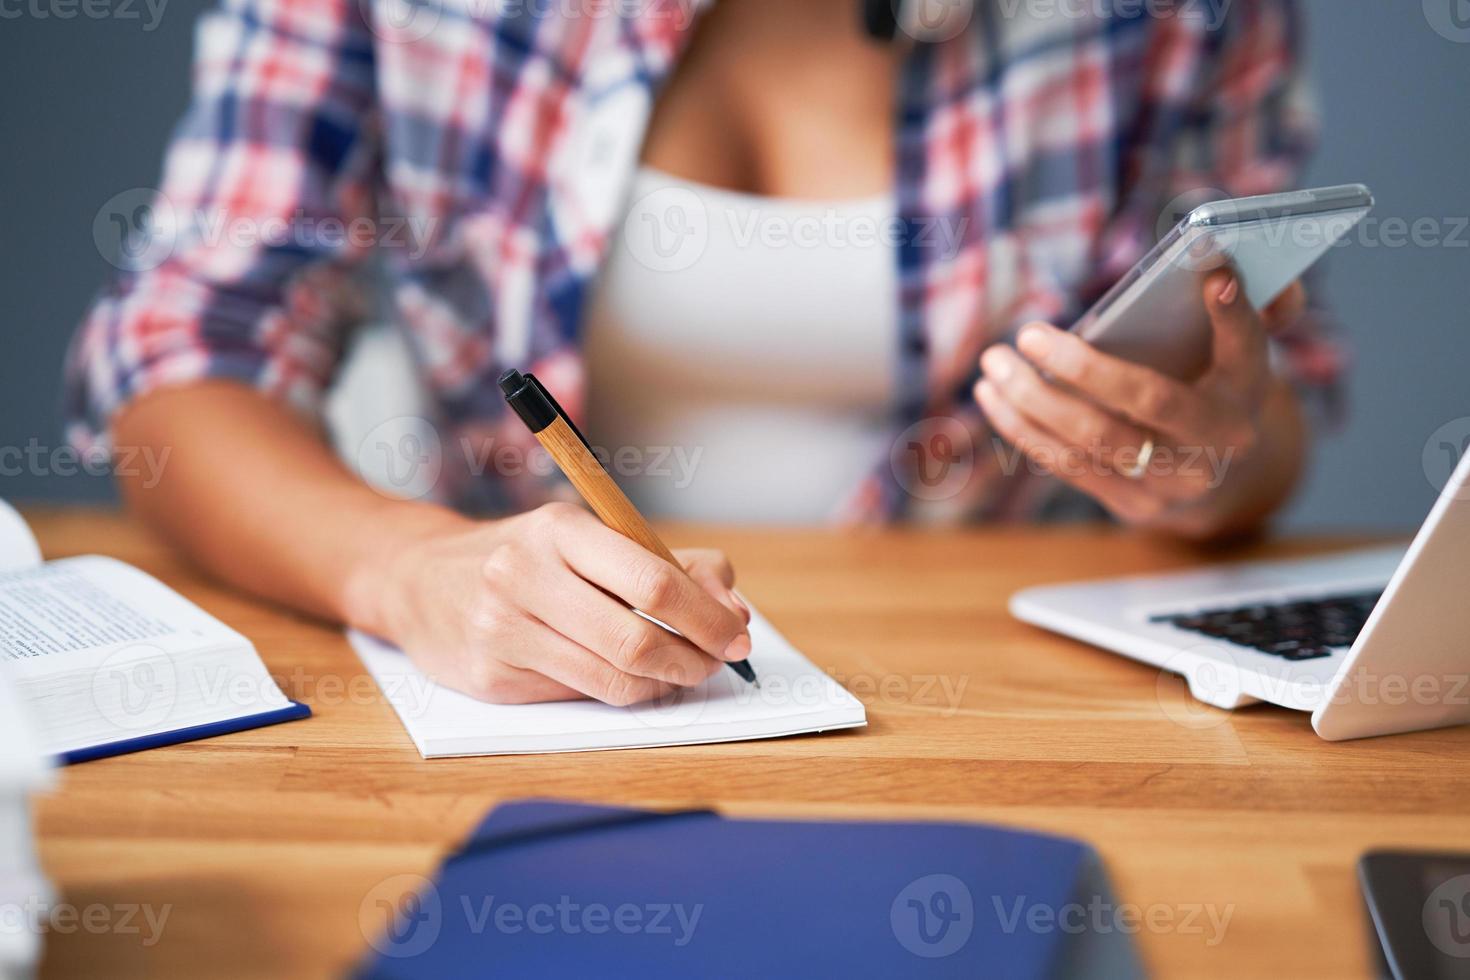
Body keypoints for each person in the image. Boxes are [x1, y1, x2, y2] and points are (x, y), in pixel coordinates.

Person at [65, 0, 1341, 705]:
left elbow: (1268, 420)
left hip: (1030, 700)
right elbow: (189, 346)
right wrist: (411, 574)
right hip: (540, 702)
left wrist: (1210, 456)